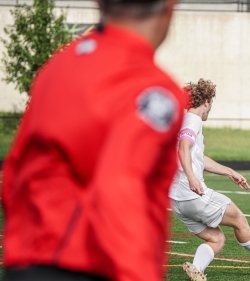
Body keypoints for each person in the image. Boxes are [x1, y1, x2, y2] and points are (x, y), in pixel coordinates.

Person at [1, 0, 186, 281]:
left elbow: (15, 170)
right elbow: (119, 187)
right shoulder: (152, 88)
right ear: (170, 6)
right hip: (88, 264)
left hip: (26, 263)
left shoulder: (58, 66)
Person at [169, 79, 250, 281]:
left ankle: (196, 270)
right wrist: (192, 179)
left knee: (216, 238)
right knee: (238, 218)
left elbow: (197, 157)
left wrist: (229, 172)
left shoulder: (182, 121)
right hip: (191, 193)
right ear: (207, 102)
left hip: (177, 199)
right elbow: (183, 147)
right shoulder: (193, 120)